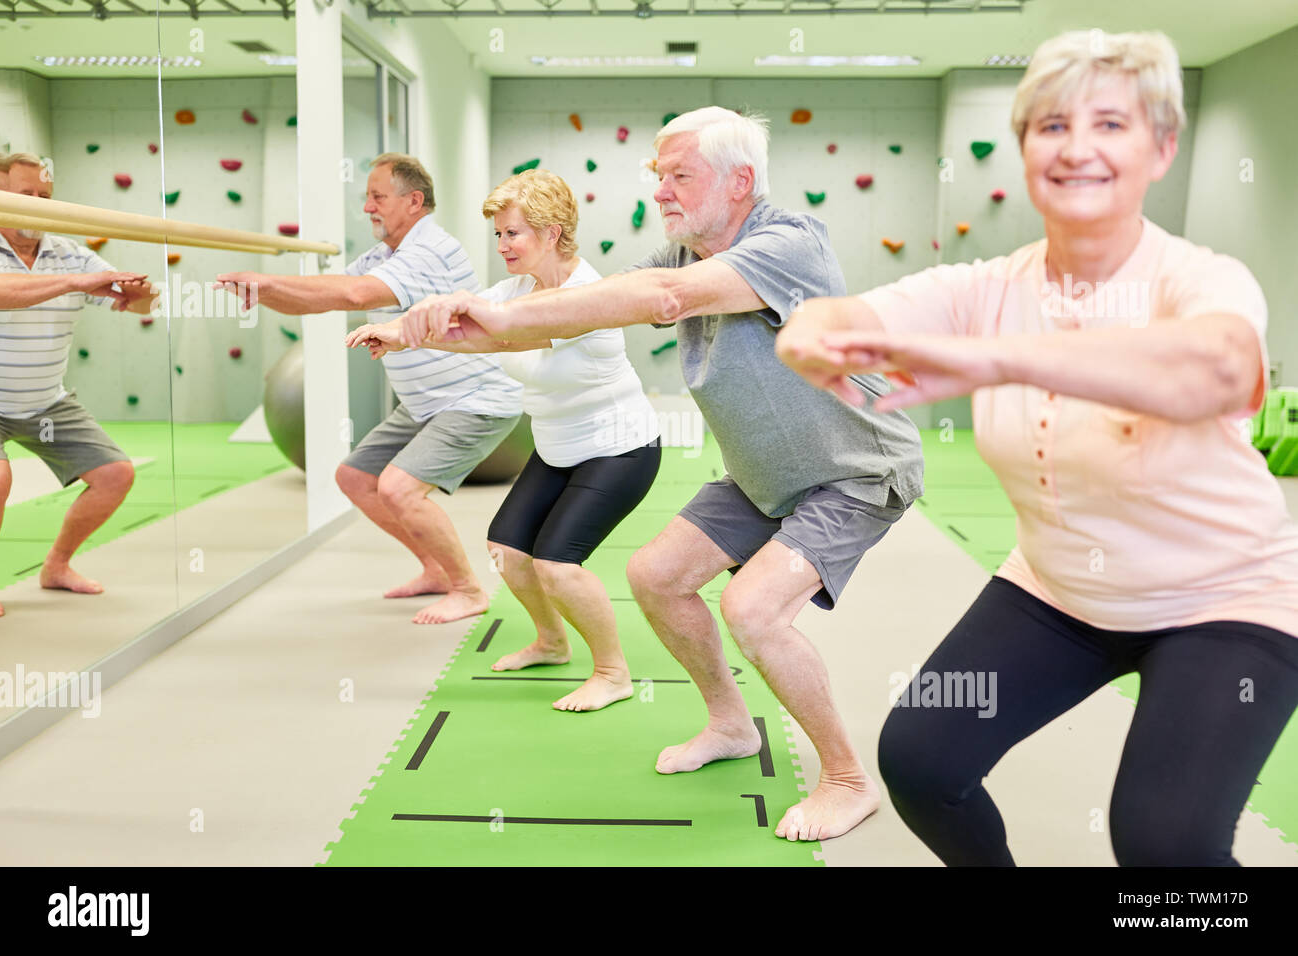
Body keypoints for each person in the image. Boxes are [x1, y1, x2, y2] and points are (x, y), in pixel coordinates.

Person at [777, 29, 1298, 866]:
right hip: (1057, 594)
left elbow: (1219, 366)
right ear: (1023, 149)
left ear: (1162, 148)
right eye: (1051, 126)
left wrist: (989, 358)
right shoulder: (983, 287)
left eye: (1111, 125)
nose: (1077, 148)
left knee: (1166, 846)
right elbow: (829, 319)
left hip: (1223, 601)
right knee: (920, 761)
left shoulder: (1199, 279)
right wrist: (813, 341)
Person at [389, 109, 926, 841]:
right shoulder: (678, 255)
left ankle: (845, 780)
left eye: (680, 176)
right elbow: (564, 317)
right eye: (658, 177)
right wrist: (446, 325)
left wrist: (484, 309)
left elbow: (657, 301)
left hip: (855, 472)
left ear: (740, 182)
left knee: (753, 610)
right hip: (763, 476)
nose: (662, 192)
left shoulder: (786, 243)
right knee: (655, 576)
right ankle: (731, 725)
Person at [349, 169, 661, 712]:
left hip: (619, 448)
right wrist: (402, 331)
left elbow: (505, 331)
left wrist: (423, 330)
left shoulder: (588, 295)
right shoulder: (515, 291)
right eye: (498, 234)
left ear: (553, 231)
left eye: (512, 233)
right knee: (509, 553)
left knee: (557, 565)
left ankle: (613, 673)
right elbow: (472, 321)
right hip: (558, 446)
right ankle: (551, 641)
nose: (502, 246)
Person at [216, 153, 522, 624]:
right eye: (367, 198)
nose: (368, 208)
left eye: (377, 197)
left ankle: (468, 589)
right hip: (424, 404)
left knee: (399, 490)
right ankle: (435, 570)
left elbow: (354, 296)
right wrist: (264, 292)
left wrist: (267, 278)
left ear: (413, 201)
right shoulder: (386, 255)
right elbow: (322, 297)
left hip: (473, 399)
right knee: (354, 478)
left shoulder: (430, 249)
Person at [0, 152, 157, 619]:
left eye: (45, 196)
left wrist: (139, 293)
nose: (38, 205)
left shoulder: (69, 252)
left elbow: (135, 305)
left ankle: (57, 566)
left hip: (46, 399)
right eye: (25, 195)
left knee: (115, 475)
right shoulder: (70, 267)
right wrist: (75, 282)